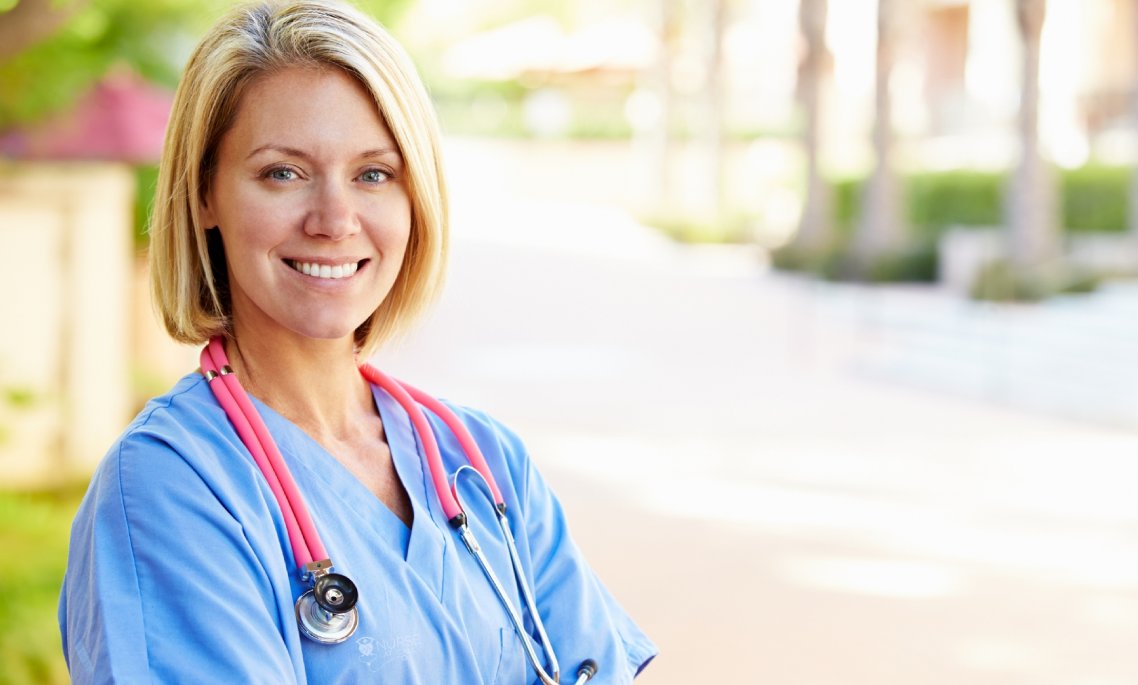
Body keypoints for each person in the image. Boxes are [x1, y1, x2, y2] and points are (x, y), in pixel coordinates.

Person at [57, 1, 657, 682]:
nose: (335, 219)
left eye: (374, 173)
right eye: (283, 172)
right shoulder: (171, 488)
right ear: (204, 194)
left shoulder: (484, 465)